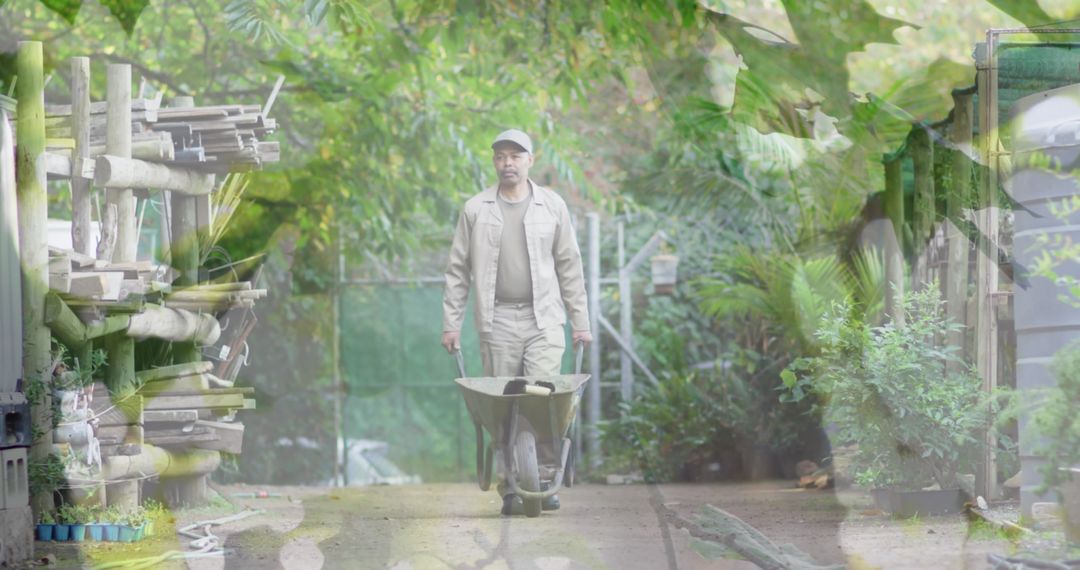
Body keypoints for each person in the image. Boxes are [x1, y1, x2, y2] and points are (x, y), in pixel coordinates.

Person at [441, 129, 592, 515]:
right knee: (504, 404)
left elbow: (569, 267)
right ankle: (510, 484)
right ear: (494, 163)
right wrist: (451, 323)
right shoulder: (476, 209)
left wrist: (581, 321)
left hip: (544, 318)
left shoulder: (552, 206)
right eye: (500, 157)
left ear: (530, 160)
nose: (507, 163)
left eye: (515, 156)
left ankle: (542, 478)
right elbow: (457, 270)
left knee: (544, 398)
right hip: (498, 320)